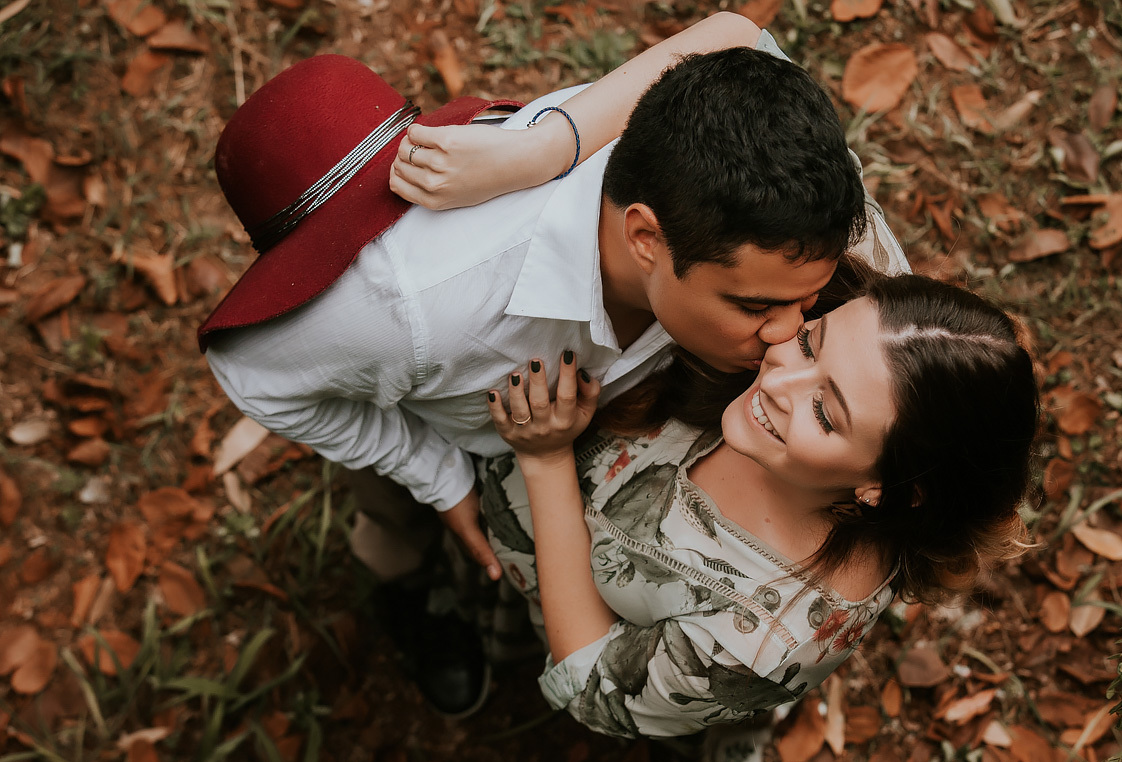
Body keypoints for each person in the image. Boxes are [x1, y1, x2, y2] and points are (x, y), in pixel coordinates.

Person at [200, 14, 908, 717]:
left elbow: (740, 33)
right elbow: (251, 373)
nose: (787, 339)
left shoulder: (774, 186)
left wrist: (547, 147)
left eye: (807, 304)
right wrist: (440, 481)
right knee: (396, 526)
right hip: (440, 419)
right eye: (757, 307)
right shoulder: (408, 307)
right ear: (645, 240)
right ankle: (413, 594)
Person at [481, 271, 1040, 739]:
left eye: (824, 412)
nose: (779, 379)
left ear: (885, 487)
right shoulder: (827, 295)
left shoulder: (764, 642)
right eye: (809, 342)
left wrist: (546, 461)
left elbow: (593, 685)